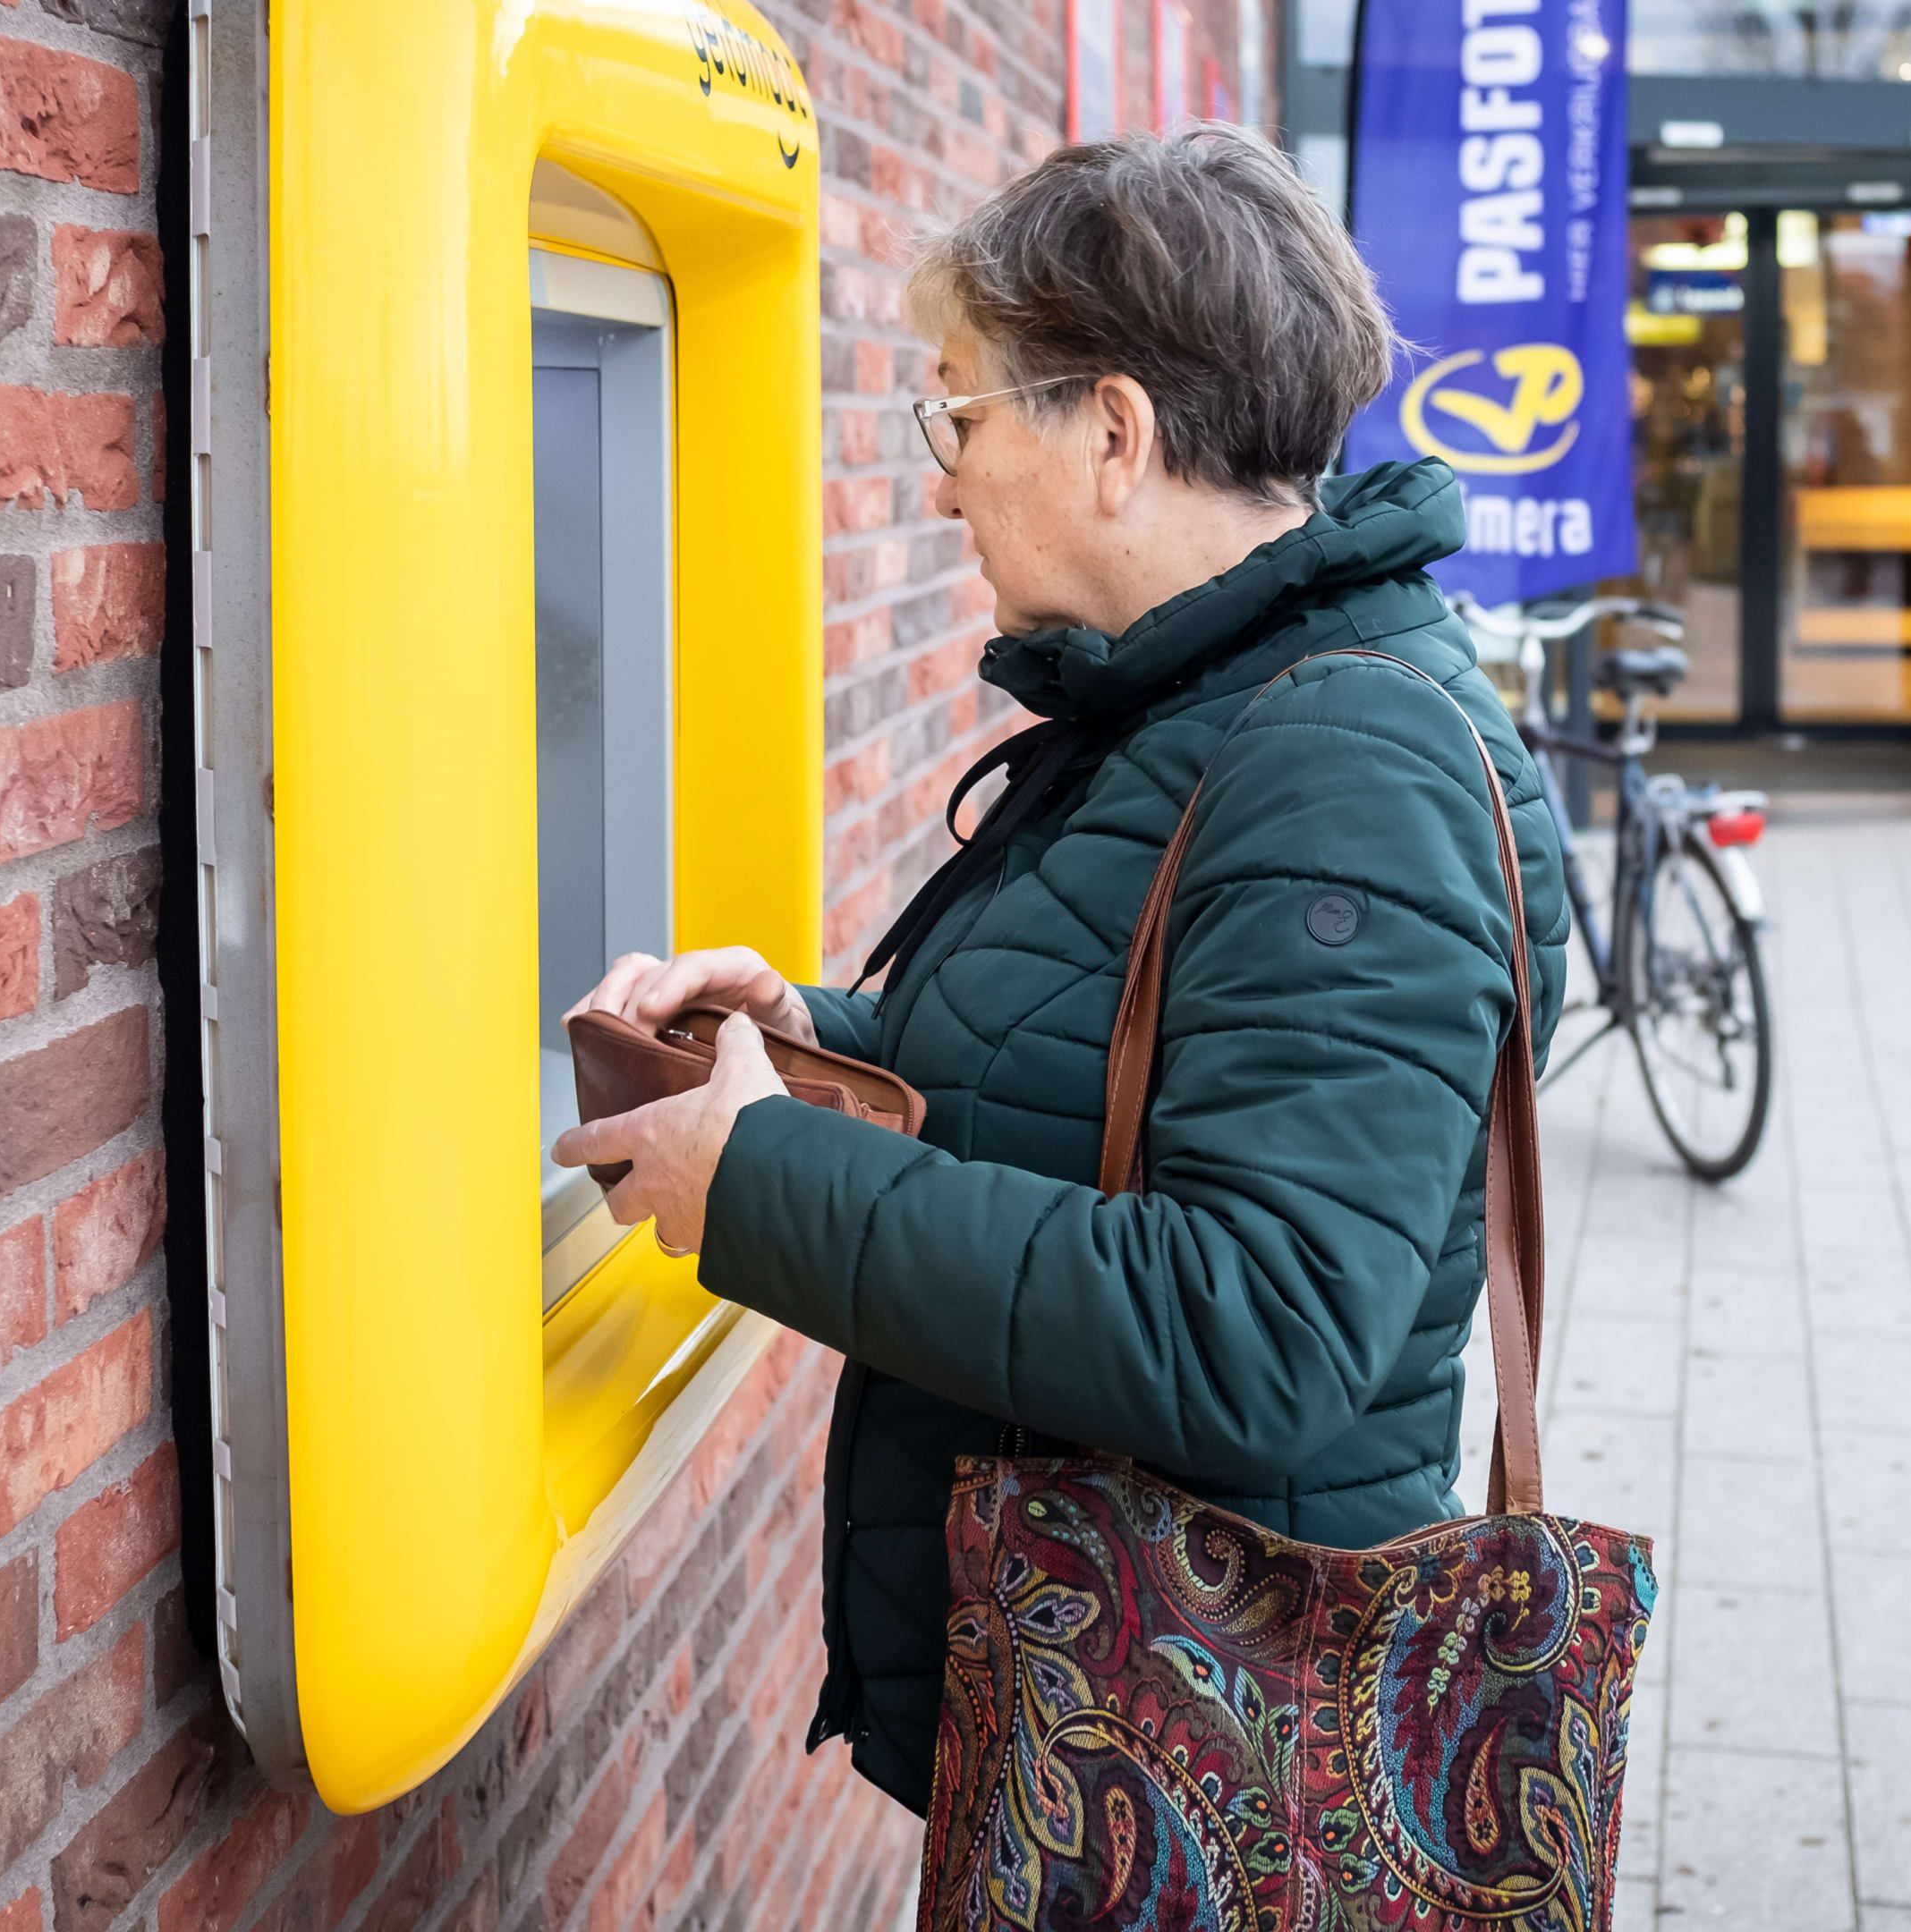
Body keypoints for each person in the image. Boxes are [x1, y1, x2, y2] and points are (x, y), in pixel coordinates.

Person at [547, 126, 1571, 1817]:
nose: (938, 479)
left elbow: (1265, 1328)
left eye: (956, 415)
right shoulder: (1206, 702)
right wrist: (819, 1040)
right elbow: (1113, 1075)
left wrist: (760, 1179)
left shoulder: (1344, 765)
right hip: (1125, 1739)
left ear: (1112, 431)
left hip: (1214, 1774)